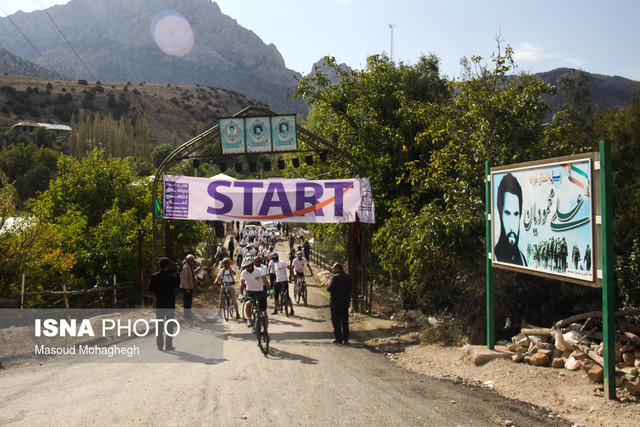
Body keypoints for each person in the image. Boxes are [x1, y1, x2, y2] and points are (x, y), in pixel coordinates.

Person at [494, 173, 527, 266]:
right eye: (507, 213)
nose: (512, 224)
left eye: (516, 214)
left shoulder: (523, 260)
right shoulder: (495, 256)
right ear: (500, 214)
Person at [147, 257, 180, 351]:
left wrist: (158, 291)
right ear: (167, 266)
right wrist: (178, 274)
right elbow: (177, 285)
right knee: (169, 325)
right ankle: (168, 345)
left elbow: (149, 289)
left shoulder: (154, 276)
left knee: (159, 325)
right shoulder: (170, 277)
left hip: (159, 303)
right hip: (169, 303)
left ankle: (159, 345)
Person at [240, 256, 270, 328]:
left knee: (264, 312)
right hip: (250, 291)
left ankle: (265, 330)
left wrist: (269, 289)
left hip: (260, 291)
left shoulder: (260, 270)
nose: (247, 268)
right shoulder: (244, 273)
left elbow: (265, 281)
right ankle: (249, 319)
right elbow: (242, 284)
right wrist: (241, 294)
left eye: (249, 266)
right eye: (246, 266)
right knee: (248, 304)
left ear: (252, 264)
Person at [326, 263, 352, 344]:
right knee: (345, 321)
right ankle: (346, 338)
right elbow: (350, 287)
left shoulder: (335, 277)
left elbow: (330, 289)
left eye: (333, 268)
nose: (332, 270)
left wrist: (327, 286)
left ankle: (338, 338)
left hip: (335, 303)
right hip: (345, 302)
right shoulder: (348, 276)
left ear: (337, 268)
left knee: (336, 321)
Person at [180, 254, 196, 319]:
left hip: (190, 286)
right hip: (187, 287)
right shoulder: (186, 267)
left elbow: (192, 277)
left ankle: (188, 315)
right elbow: (185, 279)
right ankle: (186, 315)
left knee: (189, 302)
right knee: (187, 302)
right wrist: (187, 288)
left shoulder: (190, 267)